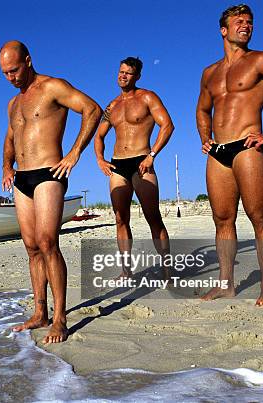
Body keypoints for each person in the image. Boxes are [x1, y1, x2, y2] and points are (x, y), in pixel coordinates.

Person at [196, 4, 263, 307]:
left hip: (248, 146)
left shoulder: (261, 60)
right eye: (239, 21)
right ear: (224, 30)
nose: (246, 25)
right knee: (222, 219)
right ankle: (226, 284)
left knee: (259, 216)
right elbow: (203, 109)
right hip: (218, 152)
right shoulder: (210, 73)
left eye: (249, 22)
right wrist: (205, 138)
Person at [0, 40, 102, 343]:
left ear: (28, 60)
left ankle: (60, 318)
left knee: (47, 242)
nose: (11, 77)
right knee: (31, 246)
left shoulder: (53, 87)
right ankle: (39, 312)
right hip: (22, 178)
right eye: (5, 73)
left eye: (15, 70)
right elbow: (9, 137)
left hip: (49, 173)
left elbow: (92, 109)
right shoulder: (13, 103)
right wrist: (7, 166)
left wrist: (74, 153)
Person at [94, 57, 174, 279]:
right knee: (120, 218)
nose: (123, 76)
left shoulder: (147, 97)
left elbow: (167, 125)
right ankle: (126, 270)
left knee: (152, 216)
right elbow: (99, 135)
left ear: (137, 76)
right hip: (117, 164)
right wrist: (100, 159)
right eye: (121, 72)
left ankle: (167, 268)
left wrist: (152, 155)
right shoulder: (112, 106)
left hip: (141, 162)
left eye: (128, 73)